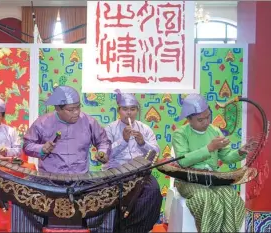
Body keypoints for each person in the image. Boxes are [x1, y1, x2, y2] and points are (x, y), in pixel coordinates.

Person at [13, 85, 112, 232]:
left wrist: (103, 152)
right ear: (58, 109)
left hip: (80, 179)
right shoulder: (42, 123)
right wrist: (41, 149)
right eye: (71, 109)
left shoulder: (89, 122)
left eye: (78, 107)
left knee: (110, 193)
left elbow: (103, 141)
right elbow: (27, 145)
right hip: (47, 179)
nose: (77, 113)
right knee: (19, 193)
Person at [172, 93, 255, 232]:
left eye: (208, 116)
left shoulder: (215, 131)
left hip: (212, 179)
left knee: (231, 197)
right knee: (207, 198)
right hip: (187, 180)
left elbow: (227, 156)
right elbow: (183, 161)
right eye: (200, 119)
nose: (206, 122)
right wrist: (209, 148)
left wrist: (241, 152)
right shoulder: (180, 134)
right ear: (189, 119)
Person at [103, 89, 162, 233]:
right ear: (119, 110)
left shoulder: (145, 129)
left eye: (132, 109)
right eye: (125, 109)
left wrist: (142, 143)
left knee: (153, 191)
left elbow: (155, 153)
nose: (129, 113)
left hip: (140, 171)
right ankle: (117, 227)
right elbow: (105, 154)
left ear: (137, 111)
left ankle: (134, 228)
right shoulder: (109, 129)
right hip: (115, 171)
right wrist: (122, 140)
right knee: (113, 194)